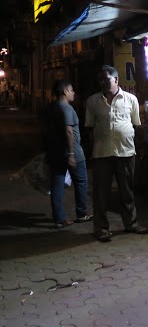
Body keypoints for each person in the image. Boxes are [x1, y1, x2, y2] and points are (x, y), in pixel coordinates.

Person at [85, 66, 147, 242]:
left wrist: (138, 148)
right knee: (101, 193)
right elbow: (89, 127)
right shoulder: (93, 101)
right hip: (102, 153)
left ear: (116, 80)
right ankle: (101, 228)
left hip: (125, 151)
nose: (103, 83)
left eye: (106, 79)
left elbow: (136, 124)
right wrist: (93, 149)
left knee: (127, 191)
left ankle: (131, 224)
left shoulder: (130, 99)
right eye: (100, 80)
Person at [45, 80, 92, 228]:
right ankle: (82, 213)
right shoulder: (66, 108)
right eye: (71, 90)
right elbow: (69, 131)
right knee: (81, 182)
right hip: (73, 152)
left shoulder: (51, 108)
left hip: (56, 152)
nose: (73, 93)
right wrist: (71, 154)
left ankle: (59, 218)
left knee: (57, 185)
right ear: (65, 91)